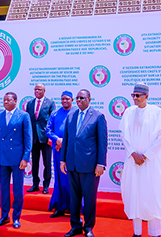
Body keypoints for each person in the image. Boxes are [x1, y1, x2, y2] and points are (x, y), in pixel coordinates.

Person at [119, 84, 161, 237]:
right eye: (133, 95)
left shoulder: (157, 112)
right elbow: (124, 135)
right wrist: (133, 154)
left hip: (151, 163)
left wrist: (146, 155)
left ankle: (155, 233)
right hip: (134, 162)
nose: (135, 98)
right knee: (134, 195)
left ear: (147, 96)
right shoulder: (128, 112)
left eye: (138, 95)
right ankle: (137, 233)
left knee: (153, 194)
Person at [60, 89, 108, 237]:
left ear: (89, 99)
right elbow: (66, 140)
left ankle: (88, 227)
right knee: (74, 198)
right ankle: (75, 226)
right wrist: (63, 159)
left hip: (90, 166)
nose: (79, 100)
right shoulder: (71, 115)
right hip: (72, 164)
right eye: (77, 98)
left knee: (89, 198)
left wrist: (101, 163)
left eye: (82, 97)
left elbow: (102, 142)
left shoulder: (98, 117)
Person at [0, 92, 32, 229]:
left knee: (18, 189)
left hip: (18, 158)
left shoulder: (24, 116)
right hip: (3, 158)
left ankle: (16, 217)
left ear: (15, 101)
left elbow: (28, 138)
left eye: (8, 100)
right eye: (4, 100)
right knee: (3, 189)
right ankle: (4, 215)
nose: (5, 102)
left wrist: (26, 158)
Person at [46, 90, 74, 217]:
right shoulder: (55, 113)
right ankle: (60, 206)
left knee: (72, 179)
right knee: (60, 178)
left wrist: (64, 142)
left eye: (67, 99)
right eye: (62, 99)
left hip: (73, 151)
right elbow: (48, 130)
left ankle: (74, 207)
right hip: (58, 151)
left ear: (72, 100)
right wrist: (57, 140)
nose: (64, 101)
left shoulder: (76, 113)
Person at [25, 83, 55, 193]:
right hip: (33, 138)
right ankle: (35, 184)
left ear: (44, 91)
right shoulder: (30, 104)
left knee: (47, 162)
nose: (37, 91)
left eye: (39, 89)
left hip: (46, 138)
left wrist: (51, 136)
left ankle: (46, 185)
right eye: (35, 89)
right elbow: (28, 121)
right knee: (35, 162)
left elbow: (53, 121)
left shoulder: (50, 103)